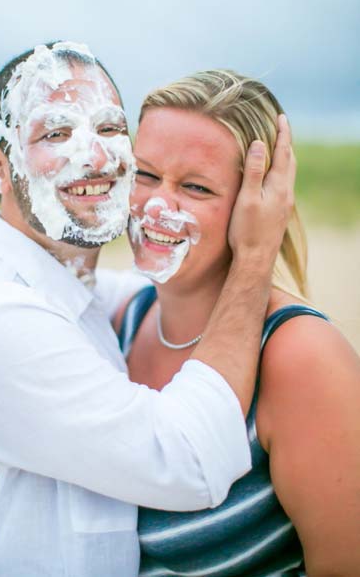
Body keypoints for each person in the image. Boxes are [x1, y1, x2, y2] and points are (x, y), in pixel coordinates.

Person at [0, 41, 296, 575]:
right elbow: (186, 461)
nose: (95, 155)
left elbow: (155, 295)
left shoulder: (80, 295)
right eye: (57, 133)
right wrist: (254, 258)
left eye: (111, 128)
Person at [116, 70, 360, 576]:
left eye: (196, 187)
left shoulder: (302, 358)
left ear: (259, 205)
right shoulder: (121, 324)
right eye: (144, 174)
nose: (158, 204)